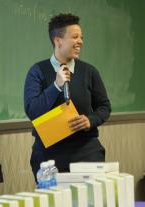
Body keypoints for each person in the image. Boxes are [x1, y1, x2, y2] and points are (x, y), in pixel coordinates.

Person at [23, 13, 111, 179]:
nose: (80, 42)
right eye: (75, 37)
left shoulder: (89, 71)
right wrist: (56, 86)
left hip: (86, 152)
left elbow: (104, 107)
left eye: (81, 37)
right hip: (48, 156)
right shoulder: (38, 71)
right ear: (58, 40)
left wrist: (90, 120)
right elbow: (32, 110)